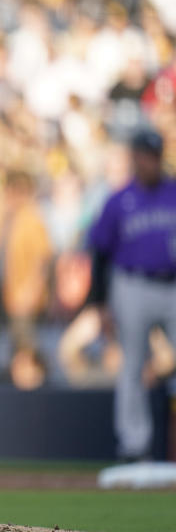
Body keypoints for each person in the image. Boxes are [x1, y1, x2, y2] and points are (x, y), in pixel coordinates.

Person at [88, 128, 176, 462]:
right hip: (132, 285)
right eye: (144, 155)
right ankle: (134, 444)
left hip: (172, 286)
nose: (150, 162)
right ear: (135, 157)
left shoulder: (173, 192)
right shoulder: (119, 199)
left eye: (154, 156)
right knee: (132, 366)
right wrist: (99, 303)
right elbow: (99, 253)